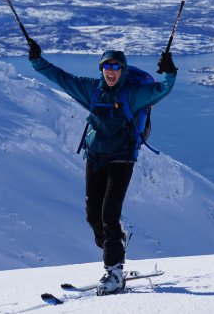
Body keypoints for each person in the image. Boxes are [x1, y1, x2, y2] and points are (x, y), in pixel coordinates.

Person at [27, 39, 177, 294]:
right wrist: (36, 60)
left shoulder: (132, 94)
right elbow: (60, 77)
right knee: (92, 215)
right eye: (107, 66)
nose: (111, 70)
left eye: (116, 67)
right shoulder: (92, 90)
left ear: (123, 70)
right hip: (95, 157)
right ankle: (116, 242)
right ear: (101, 69)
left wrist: (170, 71)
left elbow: (161, 90)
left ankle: (114, 271)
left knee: (109, 215)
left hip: (122, 160)